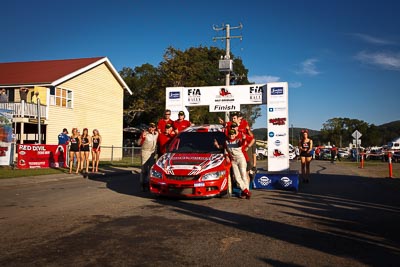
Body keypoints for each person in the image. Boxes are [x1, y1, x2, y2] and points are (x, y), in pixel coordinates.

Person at [224, 128, 251, 199]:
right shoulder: (226, 142)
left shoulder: (237, 140)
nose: (231, 135)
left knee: (243, 176)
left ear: (235, 134)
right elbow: (226, 150)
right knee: (237, 177)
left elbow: (241, 144)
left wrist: (244, 138)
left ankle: (245, 192)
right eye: (230, 134)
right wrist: (227, 156)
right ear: (228, 135)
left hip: (241, 159)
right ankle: (246, 191)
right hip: (233, 160)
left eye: (233, 134)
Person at [139, 123, 159, 191]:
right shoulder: (145, 134)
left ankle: (148, 183)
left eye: (153, 127)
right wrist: (142, 137)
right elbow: (138, 143)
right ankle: (142, 184)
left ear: (155, 128)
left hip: (152, 153)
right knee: (144, 170)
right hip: (145, 152)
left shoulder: (156, 134)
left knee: (151, 169)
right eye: (150, 127)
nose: (151, 128)